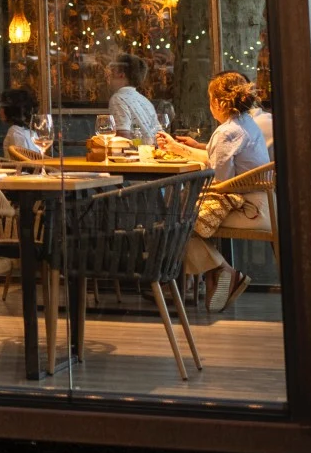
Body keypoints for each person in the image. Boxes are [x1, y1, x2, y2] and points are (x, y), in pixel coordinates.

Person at [158, 70, 270, 312]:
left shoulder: (226, 131)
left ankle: (220, 271)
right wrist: (178, 148)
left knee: (178, 220)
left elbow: (219, 180)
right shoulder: (245, 123)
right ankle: (215, 273)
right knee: (182, 213)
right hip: (262, 202)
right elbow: (217, 162)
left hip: (248, 209)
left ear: (218, 102)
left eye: (209, 100)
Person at [106, 53, 161, 143]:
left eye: (113, 71)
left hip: (136, 155)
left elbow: (123, 137)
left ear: (121, 75)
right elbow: (160, 133)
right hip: (152, 153)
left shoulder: (118, 98)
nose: (109, 75)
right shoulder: (145, 100)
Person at [1, 87, 44, 161]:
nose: (0, 110)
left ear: (11, 110)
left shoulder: (14, 132)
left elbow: (23, 162)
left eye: (2, 106)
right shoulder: (31, 132)